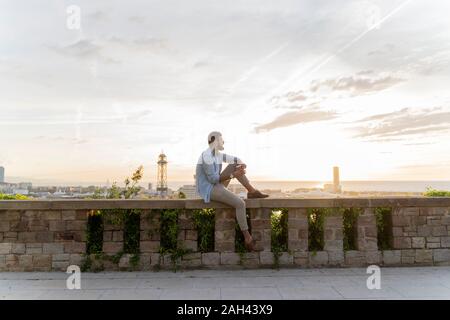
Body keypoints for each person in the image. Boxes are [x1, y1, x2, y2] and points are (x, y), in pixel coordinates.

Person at [195, 131, 268, 251]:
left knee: (234, 164)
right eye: (221, 139)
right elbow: (212, 180)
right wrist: (233, 175)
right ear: (215, 141)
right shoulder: (206, 156)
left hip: (216, 184)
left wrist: (241, 164)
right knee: (240, 204)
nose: (223, 142)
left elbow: (235, 159)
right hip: (209, 189)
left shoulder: (217, 154)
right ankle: (248, 238)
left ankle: (252, 191)